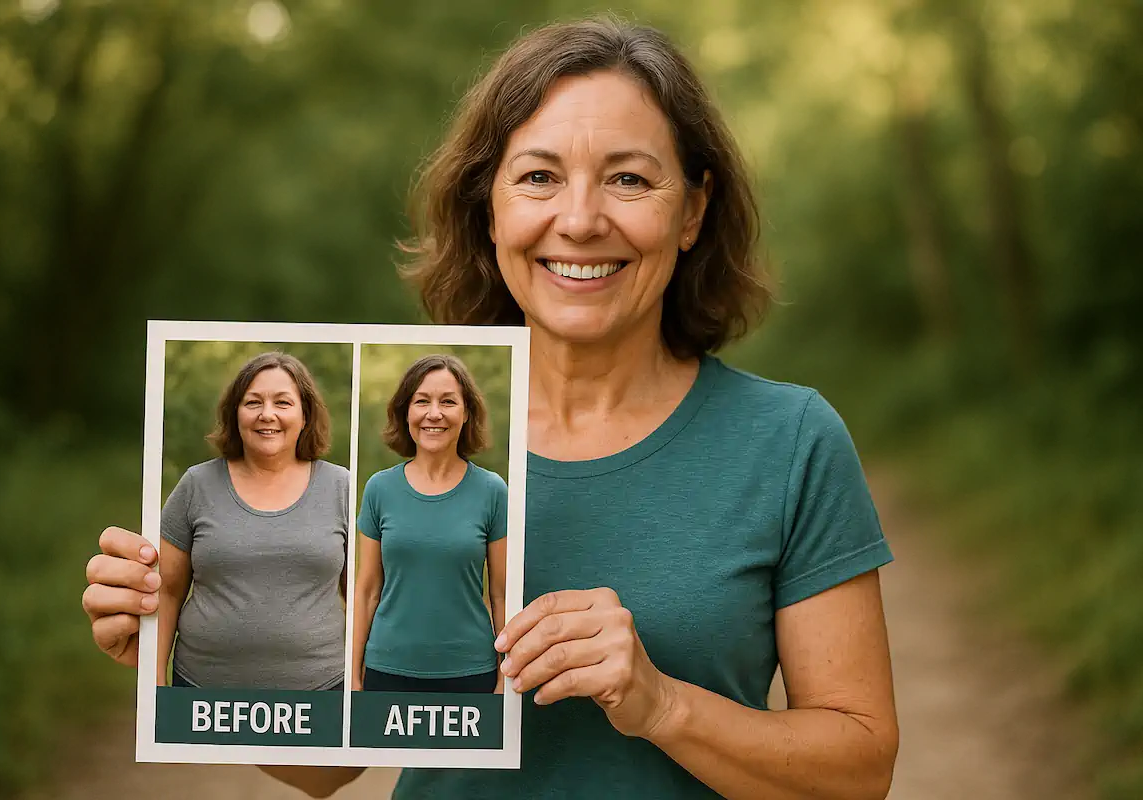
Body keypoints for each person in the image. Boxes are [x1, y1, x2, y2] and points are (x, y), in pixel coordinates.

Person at [83, 15, 899, 800]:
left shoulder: (789, 442)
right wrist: (165, 654)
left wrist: (665, 706)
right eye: (539, 176)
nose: (579, 220)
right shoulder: (377, 475)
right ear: (489, 208)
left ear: (691, 210)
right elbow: (331, 768)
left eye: (628, 178)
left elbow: (859, 770)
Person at [157, 351, 350, 691]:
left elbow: (363, 596)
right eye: (253, 402)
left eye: (283, 403)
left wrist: (360, 684)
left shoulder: (340, 487)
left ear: (305, 415)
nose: (267, 414)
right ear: (235, 414)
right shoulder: (196, 485)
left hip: (322, 695)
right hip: (203, 694)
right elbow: (167, 591)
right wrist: (155, 680)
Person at [351, 354, 508, 694]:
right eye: (422, 401)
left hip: (472, 674)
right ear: (406, 412)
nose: (434, 413)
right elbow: (365, 592)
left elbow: (501, 594)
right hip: (386, 671)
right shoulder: (379, 488)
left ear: (466, 414)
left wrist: (503, 678)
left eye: (448, 402)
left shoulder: (492, 491)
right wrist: (352, 675)